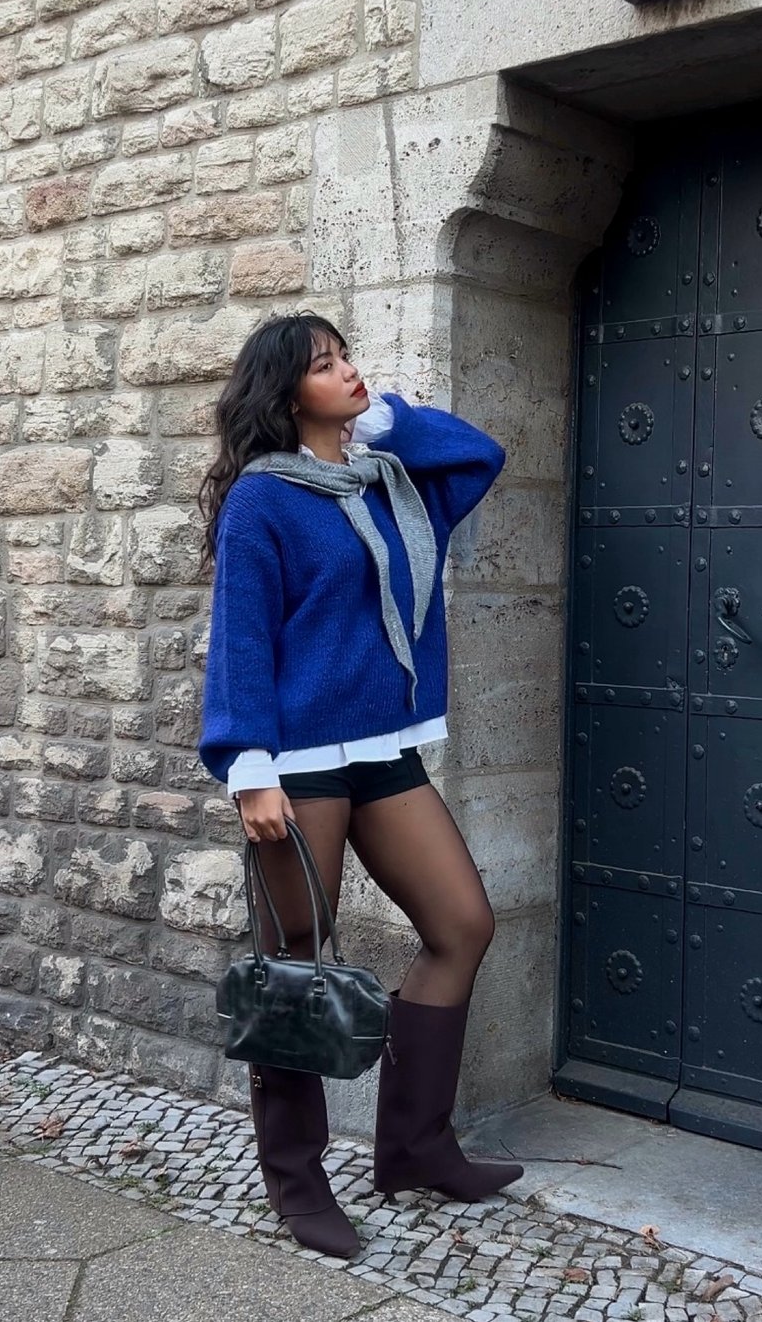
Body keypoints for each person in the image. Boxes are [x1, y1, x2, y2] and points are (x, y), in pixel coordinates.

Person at [197, 311, 523, 1260]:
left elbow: (480, 455)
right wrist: (249, 768)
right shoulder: (263, 499)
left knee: (462, 925)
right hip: (297, 760)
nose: (348, 373)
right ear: (285, 392)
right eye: (324, 366)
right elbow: (242, 636)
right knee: (294, 962)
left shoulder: (392, 482)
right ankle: (298, 1184)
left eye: (347, 357)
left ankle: (415, 1148)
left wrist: (390, 421)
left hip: (383, 749)